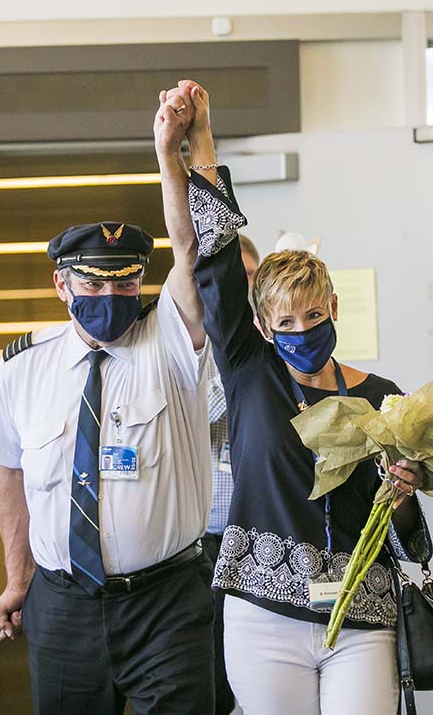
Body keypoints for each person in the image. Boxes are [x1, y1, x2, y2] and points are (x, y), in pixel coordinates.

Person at [160, 79, 433, 715]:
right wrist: (201, 145)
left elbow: (411, 545)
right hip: (263, 615)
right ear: (261, 328)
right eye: (284, 323)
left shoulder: (385, 399)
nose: (302, 331)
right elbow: (217, 259)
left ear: (334, 308)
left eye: (313, 315)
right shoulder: (251, 374)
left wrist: (404, 494)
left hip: (362, 615)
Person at [0, 92, 217, 714]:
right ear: (61, 285)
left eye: (127, 279)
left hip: (166, 603)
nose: (112, 292)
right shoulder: (22, 366)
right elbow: (11, 475)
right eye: (93, 281)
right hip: (63, 605)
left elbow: (193, 250)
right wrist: (17, 578)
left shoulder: (169, 339)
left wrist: (174, 152)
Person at [204, 233, 259, 715]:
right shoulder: (184, 349)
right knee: (209, 680)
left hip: (263, 546)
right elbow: (191, 418)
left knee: (260, 681)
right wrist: (235, 363)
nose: (233, 293)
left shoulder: (279, 354)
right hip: (200, 550)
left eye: (244, 281)